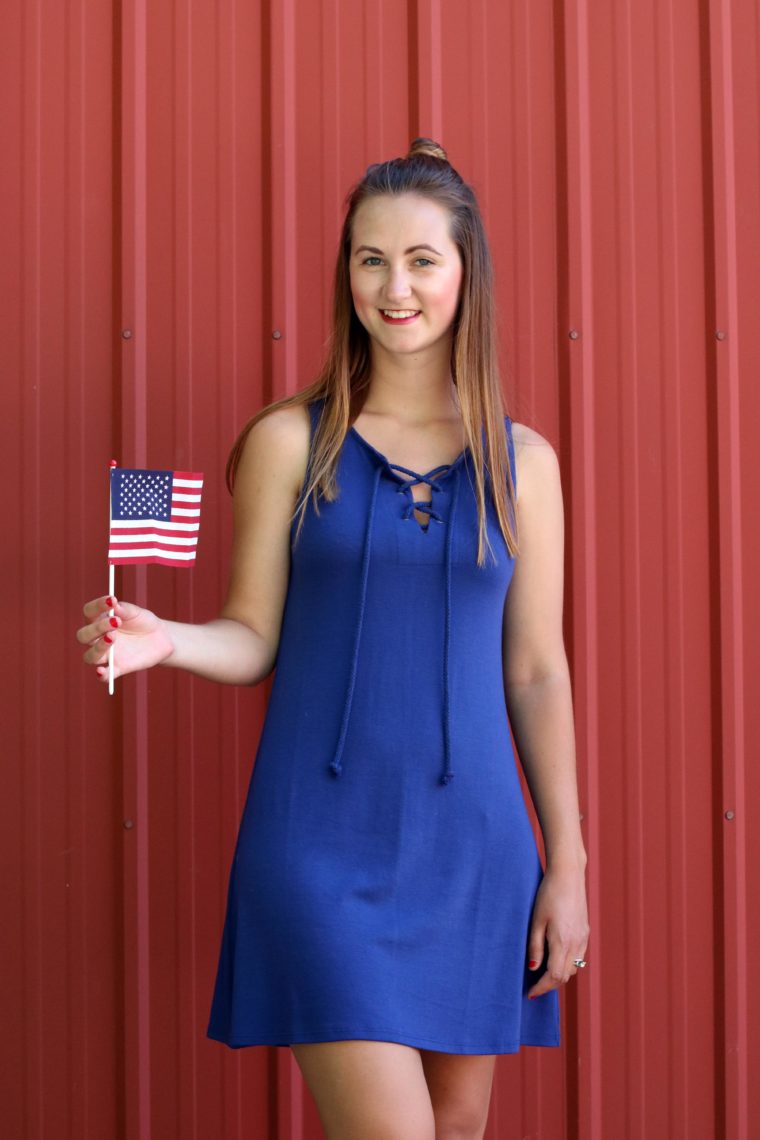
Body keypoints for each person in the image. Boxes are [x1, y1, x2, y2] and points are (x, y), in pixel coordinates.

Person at [77, 139, 589, 1140]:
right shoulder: (286, 443)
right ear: (344, 270)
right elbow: (251, 635)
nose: (392, 288)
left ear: (464, 273)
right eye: (368, 259)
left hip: (475, 852)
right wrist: (165, 639)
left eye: (420, 260)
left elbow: (535, 672)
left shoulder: (524, 465)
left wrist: (565, 868)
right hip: (317, 849)